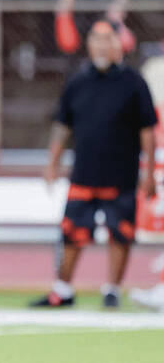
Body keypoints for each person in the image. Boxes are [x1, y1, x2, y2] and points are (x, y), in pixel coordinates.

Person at [32, 19, 156, 309]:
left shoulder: (133, 83)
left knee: (120, 233)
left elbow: (148, 130)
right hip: (84, 173)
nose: (101, 45)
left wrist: (148, 173)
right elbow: (62, 124)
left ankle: (112, 288)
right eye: (96, 38)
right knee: (72, 232)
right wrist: (53, 162)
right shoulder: (78, 81)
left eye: (107, 38)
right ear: (88, 44)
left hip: (121, 174)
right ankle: (62, 289)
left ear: (119, 43)